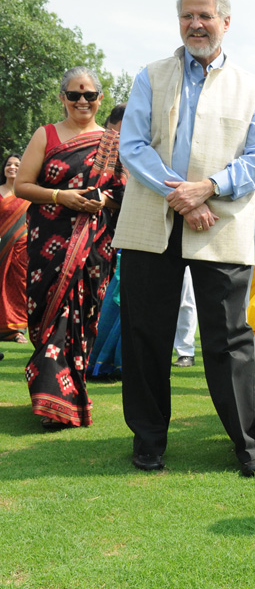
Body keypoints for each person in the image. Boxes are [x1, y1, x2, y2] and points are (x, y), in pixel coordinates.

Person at [115, 0, 255, 476]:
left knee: (228, 340)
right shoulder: (150, 75)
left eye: (204, 15)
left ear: (225, 22)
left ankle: (248, 443)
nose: (195, 24)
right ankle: (148, 442)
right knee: (145, 335)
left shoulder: (252, 87)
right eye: (187, 15)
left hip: (220, 221)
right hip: (152, 221)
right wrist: (181, 196)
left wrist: (206, 188)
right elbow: (133, 146)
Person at [15, 66, 126, 428]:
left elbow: (123, 194)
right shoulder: (45, 135)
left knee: (82, 318)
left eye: (90, 95)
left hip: (93, 246)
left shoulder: (112, 143)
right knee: (50, 316)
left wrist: (101, 201)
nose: (82, 101)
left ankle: (66, 397)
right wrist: (63, 195)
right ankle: (52, 399)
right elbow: (23, 186)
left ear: (100, 99)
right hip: (50, 243)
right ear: (62, 97)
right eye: (75, 95)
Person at [86, 102, 128, 380]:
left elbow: (122, 195)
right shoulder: (100, 147)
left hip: (121, 235)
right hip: (90, 233)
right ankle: (86, 357)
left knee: (111, 298)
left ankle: (106, 360)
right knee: (91, 296)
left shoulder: (130, 151)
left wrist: (106, 201)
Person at [0, 153, 29, 343]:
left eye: (17, 165)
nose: (12, 168)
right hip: (1, 245)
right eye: (9, 164)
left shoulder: (27, 192)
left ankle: (17, 329)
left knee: (19, 287)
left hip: (21, 248)